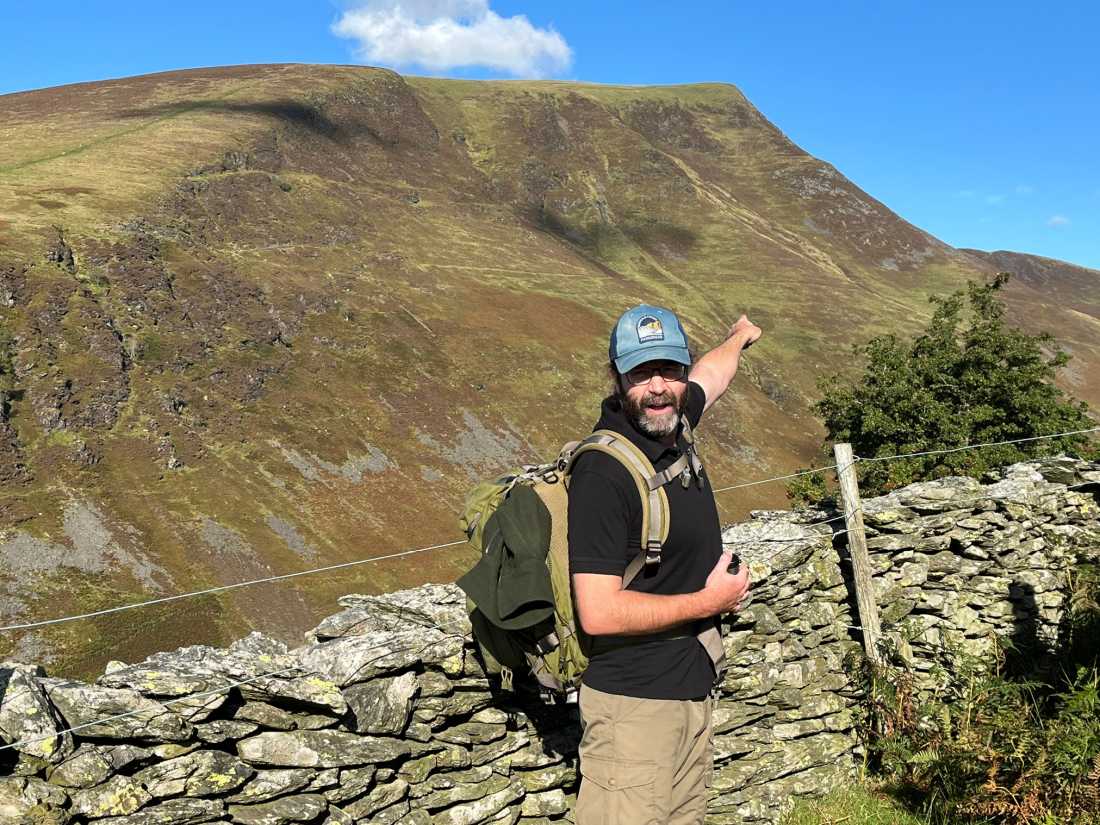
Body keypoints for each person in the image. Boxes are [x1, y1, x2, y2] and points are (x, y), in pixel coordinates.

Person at [568, 303, 760, 825]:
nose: (658, 386)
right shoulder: (604, 473)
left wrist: (739, 337)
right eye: (641, 373)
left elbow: (712, 377)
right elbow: (599, 613)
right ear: (617, 378)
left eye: (669, 370)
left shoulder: (673, 425)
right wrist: (709, 602)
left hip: (689, 690)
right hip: (633, 707)